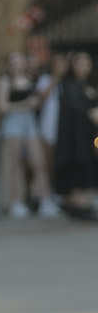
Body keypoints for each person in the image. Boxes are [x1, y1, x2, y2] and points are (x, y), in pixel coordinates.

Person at [0, 50, 59, 218]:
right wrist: (25, 104)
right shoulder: (5, 81)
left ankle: (44, 199)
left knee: (39, 162)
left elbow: (39, 101)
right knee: (14, 164)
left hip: (30, 123)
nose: (16, 65)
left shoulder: (31, 80)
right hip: (14, 123)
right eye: (13, 62)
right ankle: (15, 201)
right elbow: (2, 107)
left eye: (19, 61)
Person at [53, 50, 98, 219]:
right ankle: (76, 204)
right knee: (77, 168)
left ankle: (82, 203)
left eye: (87, 63)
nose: (84, 67)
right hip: (74, 138)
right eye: (80, 63)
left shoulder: (88, 85)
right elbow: (75, 110)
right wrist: (91, 113)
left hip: (87, 137)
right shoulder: (69, 85)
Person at [36, 51, 68, 184]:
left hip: (62, 127)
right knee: (47, 162)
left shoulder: (65, 83)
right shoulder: (45, 79)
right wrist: (55, 77)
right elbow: (41, 97)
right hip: (47, 126)